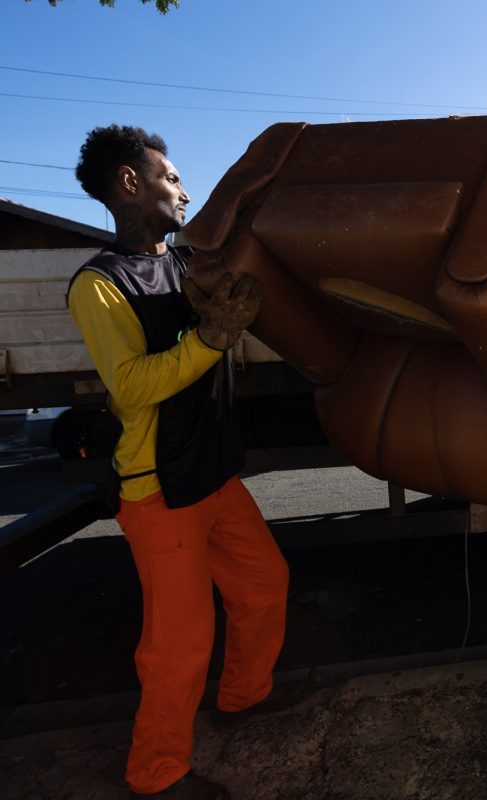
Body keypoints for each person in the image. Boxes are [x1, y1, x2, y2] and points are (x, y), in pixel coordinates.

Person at [68, 125, 290, 800]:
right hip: (158, 490)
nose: (184, 190)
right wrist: (213, 338)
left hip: (212, 474)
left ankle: (243, 699)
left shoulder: (186, 261)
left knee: (263, 586)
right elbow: (131, 385)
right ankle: (157, 774)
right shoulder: (97, 285)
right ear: (129, 184)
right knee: (179, 644)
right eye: (170, 178)